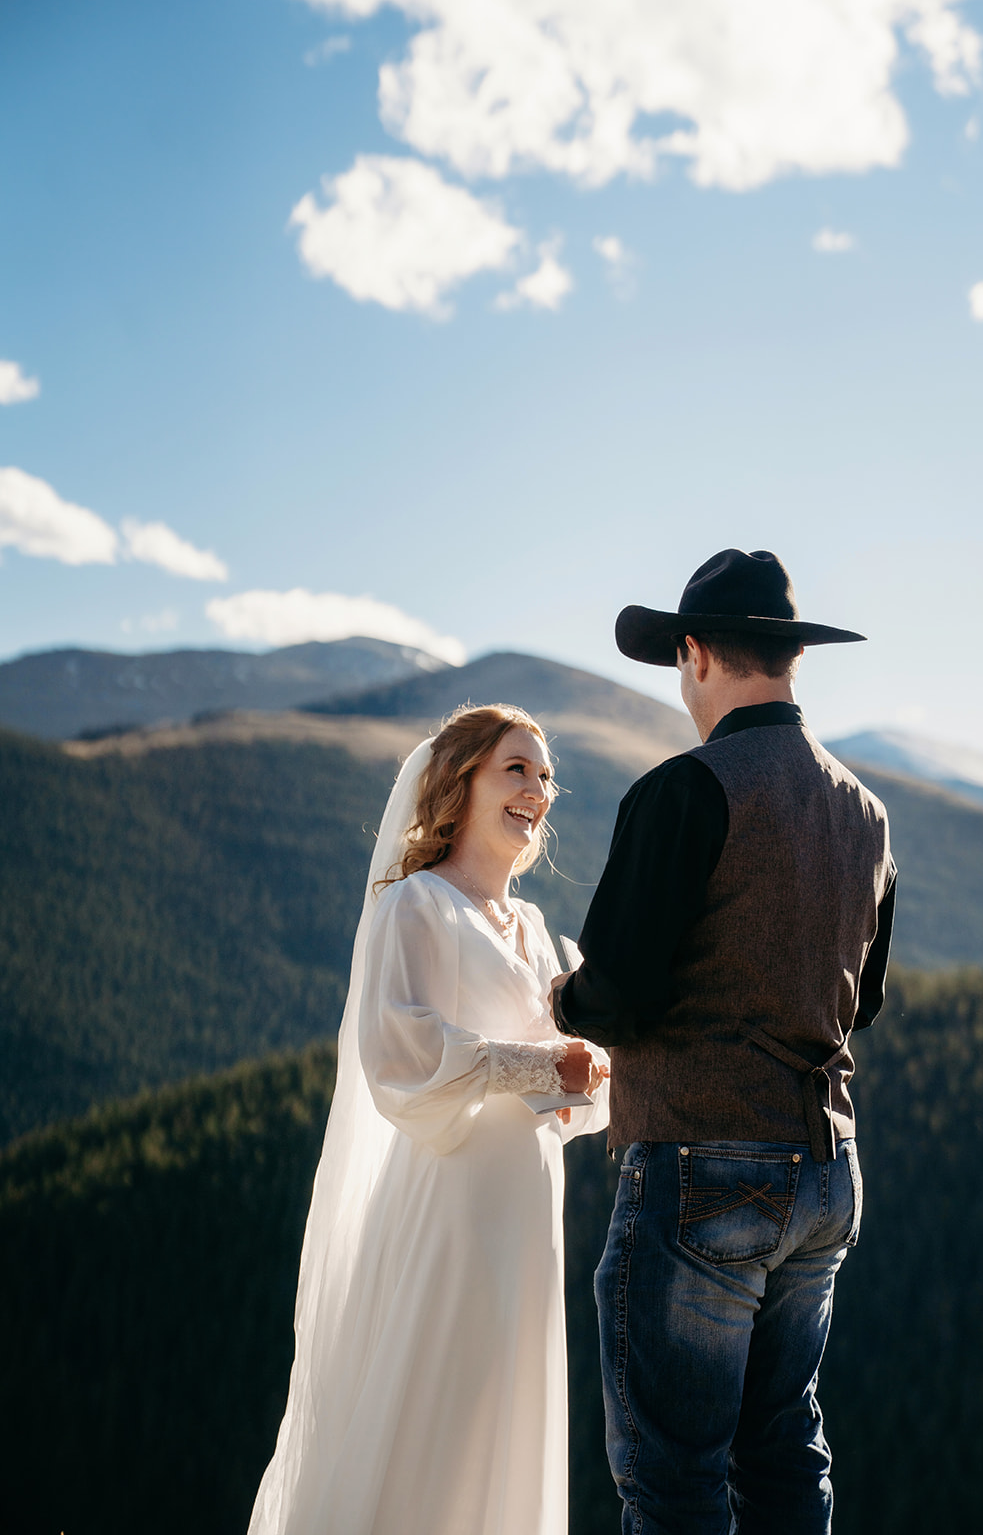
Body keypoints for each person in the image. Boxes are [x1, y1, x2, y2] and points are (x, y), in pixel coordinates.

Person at [552, 549, 896, 1535]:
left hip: (702, 1165)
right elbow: (859, 1001)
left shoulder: (682, 790)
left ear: (694, 653)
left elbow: (617, 991)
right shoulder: (864, 813)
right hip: (826, 1173)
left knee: (673, 1478)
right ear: (790, 658)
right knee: (782, 1450)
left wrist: (561, 998)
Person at [248, 704, 609, 1535]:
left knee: (500, 1413)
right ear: (461, 782)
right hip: (448, 1205)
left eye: (545, 775)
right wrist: (543, 1065)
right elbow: (400, 1058)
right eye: (515, 769)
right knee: (435, 1419)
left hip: (526, 1209)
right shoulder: (416, 904)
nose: (537, 790)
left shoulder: (534, 932)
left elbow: (568, 1095)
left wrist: (602, 1069)